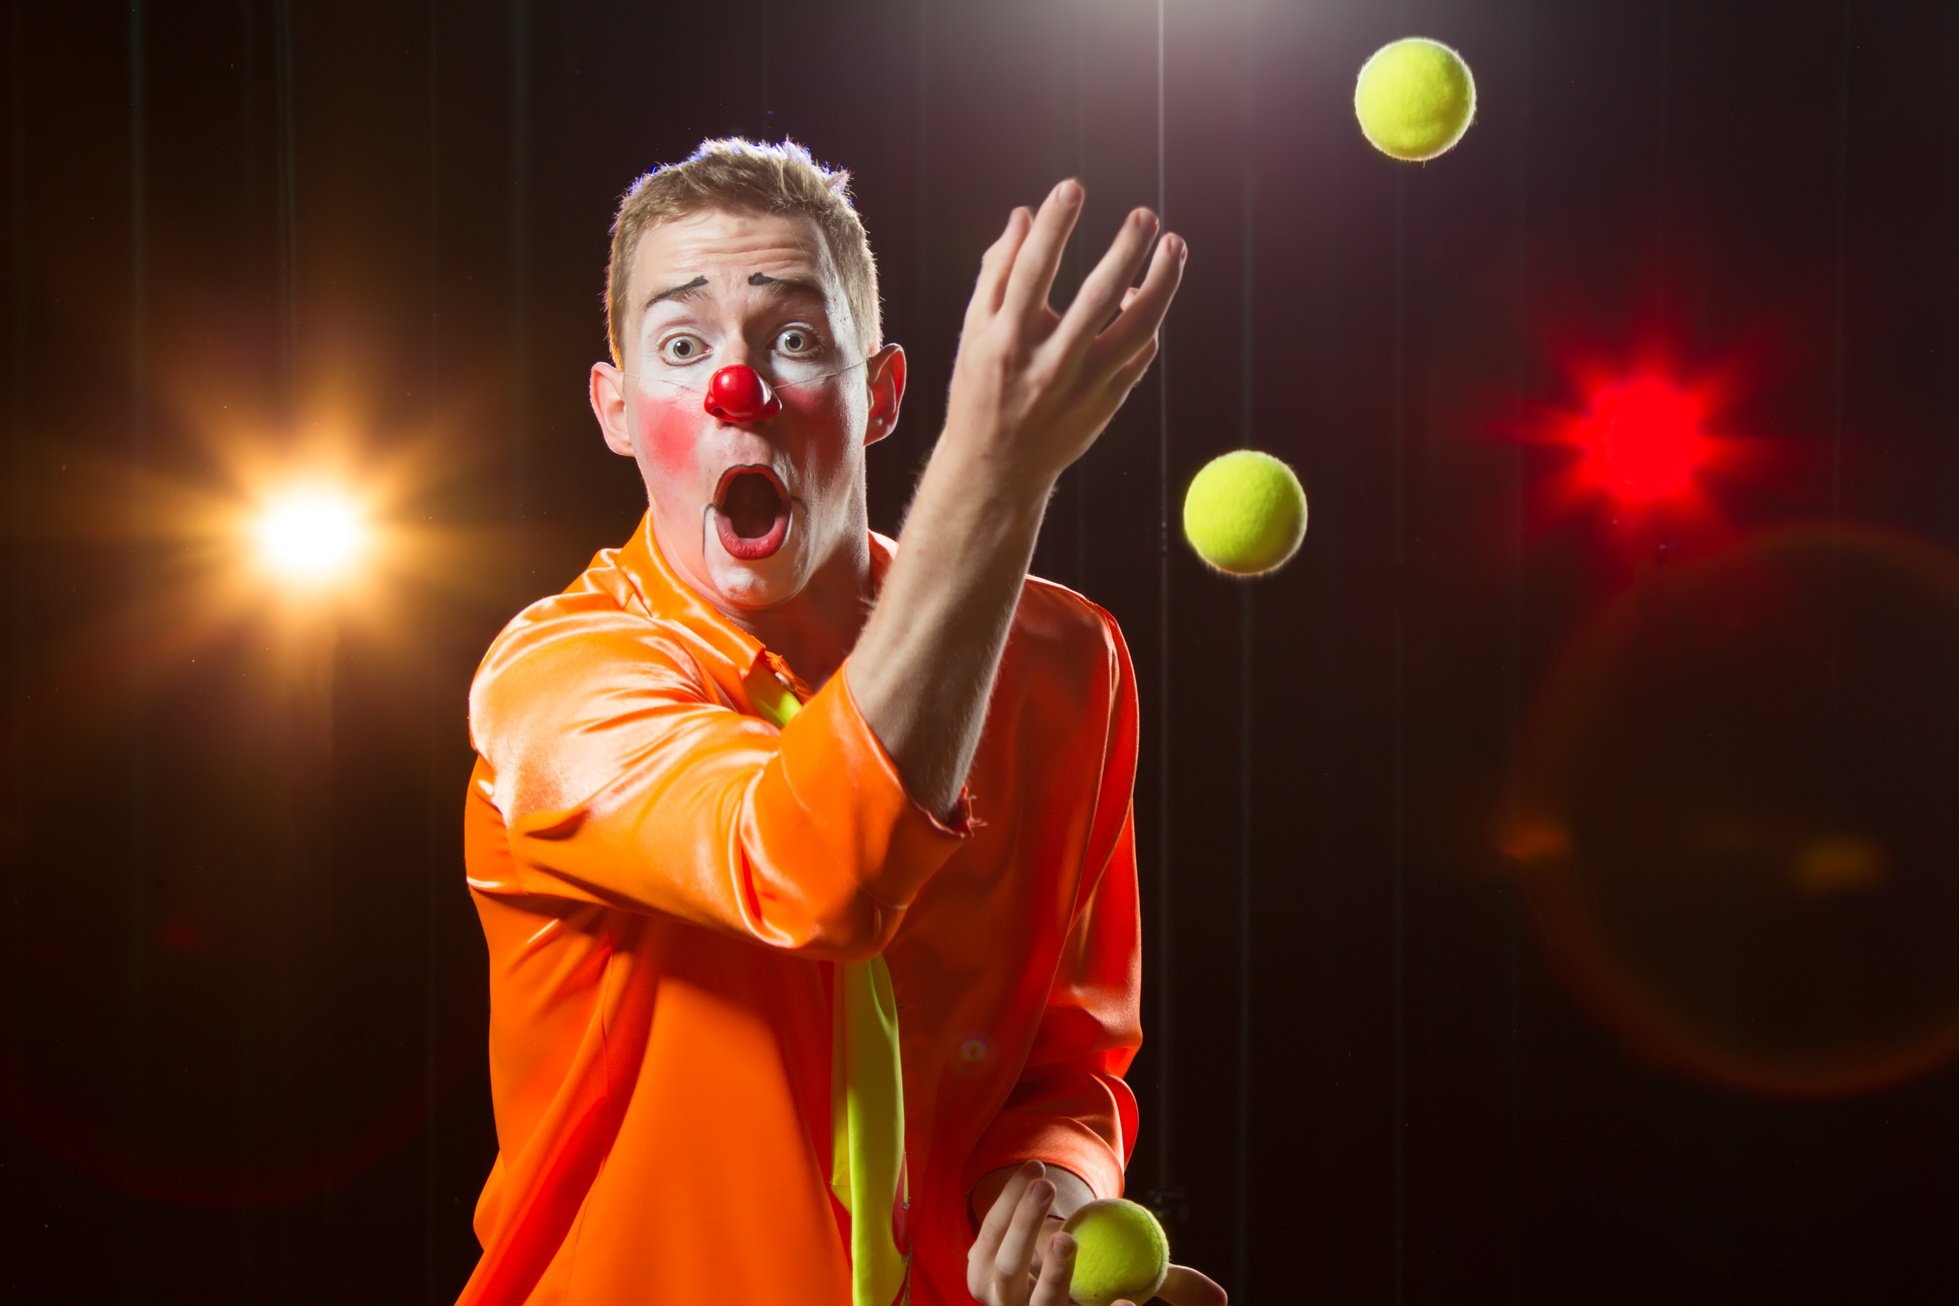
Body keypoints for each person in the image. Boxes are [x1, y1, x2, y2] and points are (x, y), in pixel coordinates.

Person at [457, 137, 1223, 1306]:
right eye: (682, 345)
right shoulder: (558, 684)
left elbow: (1069, 1055)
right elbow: (815, 871)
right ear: (618, 412)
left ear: (883, 395)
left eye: (796, 341)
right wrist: (996, 478)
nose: (737, 388)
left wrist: (1058, 1180)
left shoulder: (1067, 663)